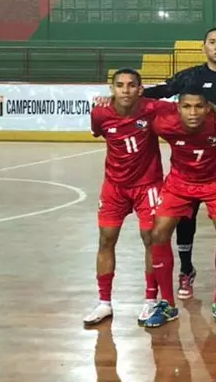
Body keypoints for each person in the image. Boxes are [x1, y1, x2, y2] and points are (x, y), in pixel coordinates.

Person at [143, 27, 216, 300]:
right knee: (187, 215)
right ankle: (186, 269)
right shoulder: (191, 77)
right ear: (204, 47)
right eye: (212, 42)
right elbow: (162, 91)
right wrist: (127, 96)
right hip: (191, 161)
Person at [143, 86, 216, 328]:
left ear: (207, 108)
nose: (193, 112)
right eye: (186, 107)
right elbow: (139, 102)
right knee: (158, 233)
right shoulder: (164, 123)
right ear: (178, 108)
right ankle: (167, 303)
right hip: (180, 182)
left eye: (199, 106)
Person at [84, 68, 168, 326]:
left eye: (132, 85)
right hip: (114, 186)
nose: (126, 90)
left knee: (151, 239)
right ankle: (104, 303)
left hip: (147, 185)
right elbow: (98, 131)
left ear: (140, 89)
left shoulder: (152, 108)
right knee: (106, 239)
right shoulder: (99, 113)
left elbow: (188, 108)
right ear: (112, 89)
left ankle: (151, 300)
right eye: (120, 85)